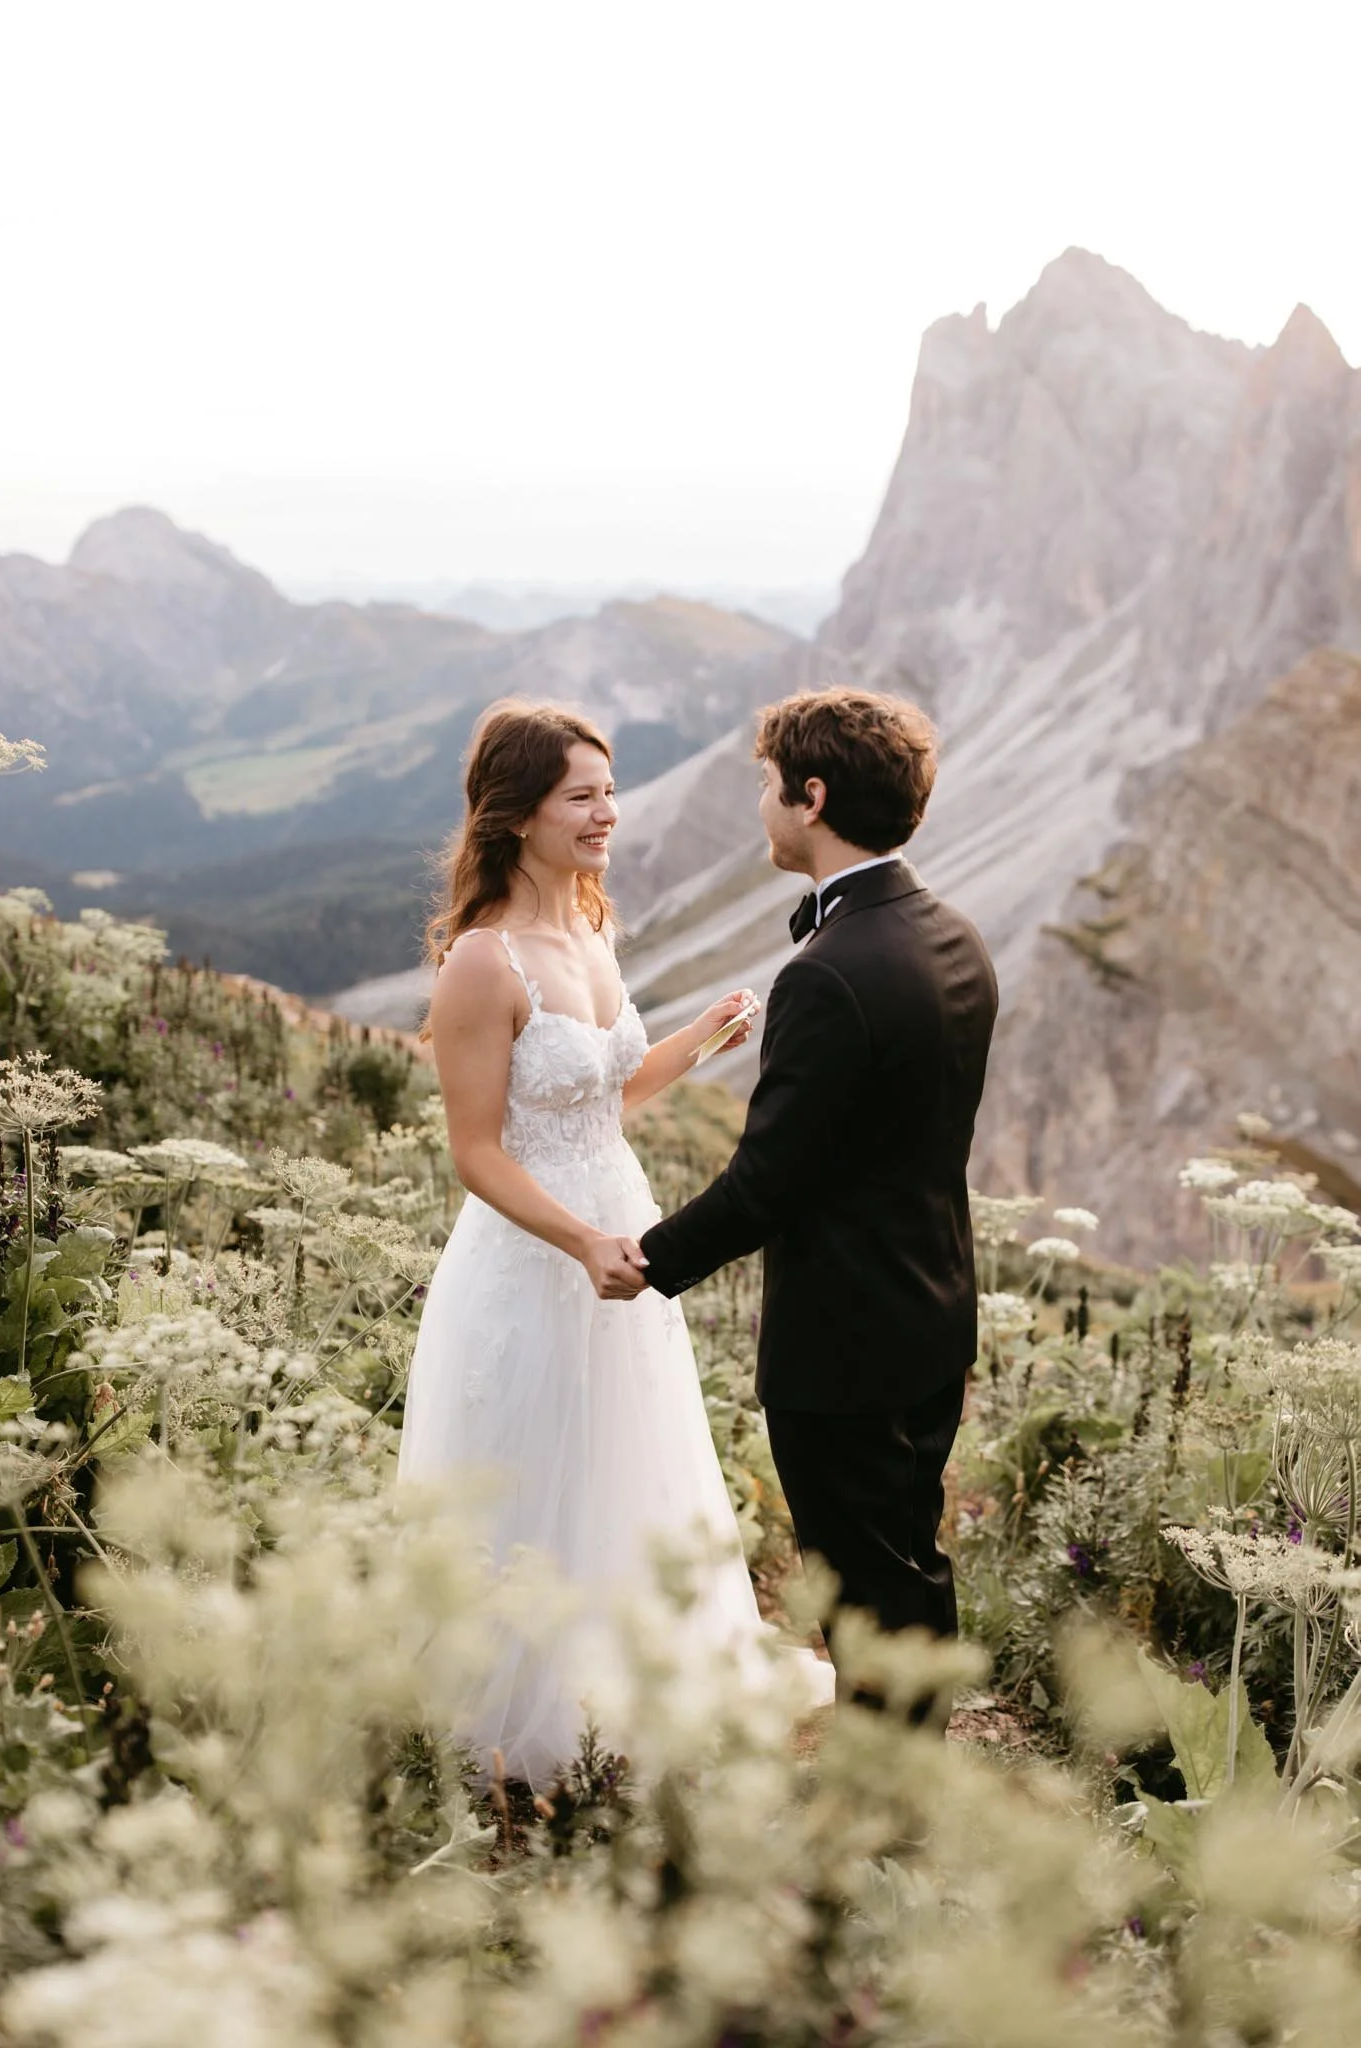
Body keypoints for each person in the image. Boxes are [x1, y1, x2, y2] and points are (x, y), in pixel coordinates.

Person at [395, 698, 833, 1787]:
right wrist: (582, 1239)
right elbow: (480, 1151)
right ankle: (519, 1711)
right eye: (582, 795)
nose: (609, 813)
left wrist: (694, 1040)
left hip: (618, 1225)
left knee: (625, 1453)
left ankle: (636, 1670)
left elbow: (600, 1093)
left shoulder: (591, 924)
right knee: (535, 1464)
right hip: (533, 1249)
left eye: (608, 789)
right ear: (518, 814)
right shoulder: (482, 965)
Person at [636, 687, 999, 1716]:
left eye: (766, 785)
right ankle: (900, 1777)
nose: (759, 804)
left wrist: (650, 1258)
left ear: (813, 795)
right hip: (932, 1304)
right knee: (905, 1557)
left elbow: (768, 1179)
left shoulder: (828, 972)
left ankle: (884, 1804)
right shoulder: (955, 935)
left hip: (843, 1335)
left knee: (861, 1581)